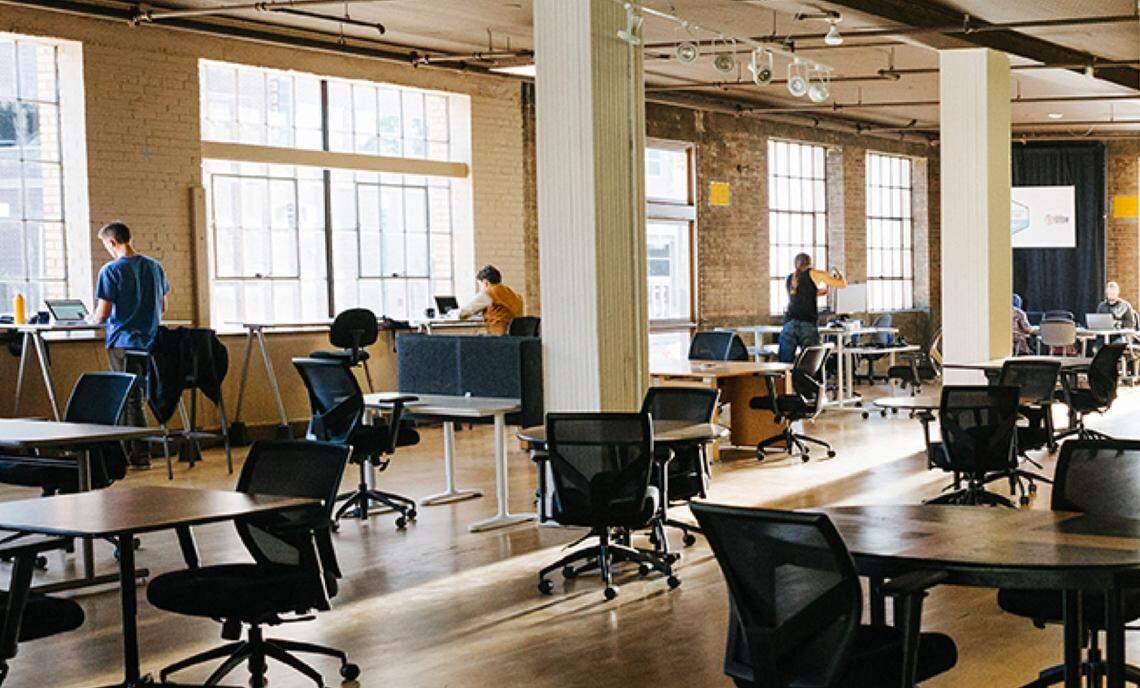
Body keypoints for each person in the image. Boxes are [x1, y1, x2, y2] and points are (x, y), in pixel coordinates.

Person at [90, 221, 169, 467]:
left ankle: (139, 453)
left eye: (106, 245)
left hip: (123, 342)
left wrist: (91, 319)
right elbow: (163, 306)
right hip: (151, 341)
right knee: (140, 395)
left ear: (112, 242)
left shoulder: (110, 270)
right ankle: (131, 451)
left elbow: (103, 313)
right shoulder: (155, 267)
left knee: (129, 397)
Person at [778, 253, 846, 363]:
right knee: (810, 364)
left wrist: (816, 293)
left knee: (785, 364)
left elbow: (799, 296)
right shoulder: (815, 273)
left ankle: (787, 375)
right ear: (810, 263)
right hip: (807, 323)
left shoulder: (790, 278)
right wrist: (839, 275)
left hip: (789, 324)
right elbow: (842, 284)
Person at [458, 264, 524, 336]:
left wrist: (452, 313)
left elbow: (463, 313)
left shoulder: (490, 292)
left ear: (485, 283)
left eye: (480, 285)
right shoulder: (514, 294)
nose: (480, 288)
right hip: (515, 337)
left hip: (498, 336)